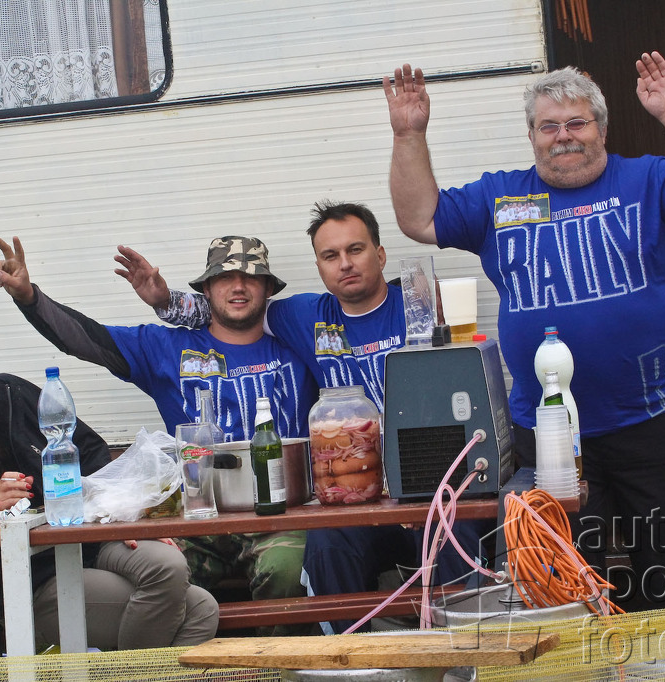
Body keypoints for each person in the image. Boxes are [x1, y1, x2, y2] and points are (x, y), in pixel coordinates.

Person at [384, 52, 665, 608]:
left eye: (577, 122)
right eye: (548, 126)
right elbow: (420, 219)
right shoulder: (500, 197)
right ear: (531, 136)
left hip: (654, 423)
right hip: (549, 434)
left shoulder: (647, 178)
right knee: (563, 585)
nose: (563, 136)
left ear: (602, 128)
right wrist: (409, 135)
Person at [118, 201, 486, 633]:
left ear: (380, 254)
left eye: (355, 249)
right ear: (319, 266)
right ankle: (348, 657)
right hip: (356, 494)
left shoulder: (420, 301)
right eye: (331, 255)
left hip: (432, 484)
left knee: (457, 530)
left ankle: (466, 647)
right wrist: (167, 302)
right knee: (326, 544)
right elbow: (234, 308)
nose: (345, 263)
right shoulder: (301, 316)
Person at [0, 235, 320, 626]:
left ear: (268, 288)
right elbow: (85, 339)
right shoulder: (165, 347)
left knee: (287, 570)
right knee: (153, 571)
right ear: (206, 288)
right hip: (193, 517)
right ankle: (184, 657)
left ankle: (275, 657)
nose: (238, 287)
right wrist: (29, 296)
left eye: (251, 278)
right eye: (224, 278)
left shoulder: (299, 342)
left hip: (280, 517)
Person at [0, 326, 218, 650]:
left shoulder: (6, 394)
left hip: (88, 540)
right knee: (198, 608)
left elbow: (89, 451)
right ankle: (124, 670)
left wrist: (120, 515)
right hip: (34, 580)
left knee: (179, 577)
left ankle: (127, 670)